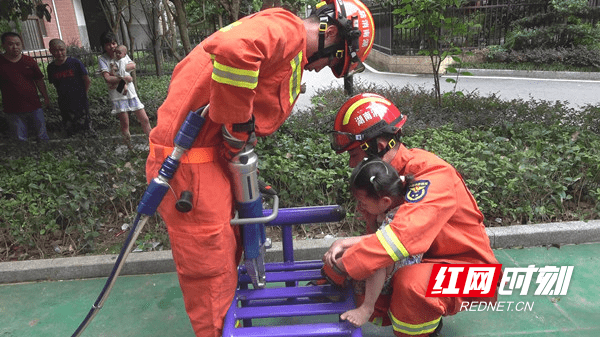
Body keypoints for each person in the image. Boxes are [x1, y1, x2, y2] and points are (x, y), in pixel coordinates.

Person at [144, 1, 375, 336]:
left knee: (228, 256)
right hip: (189, 167)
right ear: (332, 33)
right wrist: (238, 126)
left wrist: (237, 149)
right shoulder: (286, 30)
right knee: (212, 272)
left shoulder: (284, 39)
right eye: (333, 61)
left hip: (208, 159)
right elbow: (234, 50)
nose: (321, 68)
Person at [325, 93, 500, 336]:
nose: (351, 164)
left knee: (410, 284)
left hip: (474, 275)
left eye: (354, 155)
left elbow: (401, 238)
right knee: (367, 264)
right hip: (430, 260)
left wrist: (345, 264)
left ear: (378, 146)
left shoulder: (432, 175)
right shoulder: (388, 179)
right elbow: (382, 239)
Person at [324, 157, 423, 327]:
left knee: (376, 259)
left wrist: (343, 242)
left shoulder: (402, 213)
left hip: (404, 259)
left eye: (362, 202)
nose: (359, 207)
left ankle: (366, 308)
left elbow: (384, 241)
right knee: (340, 254)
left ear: (385, 201)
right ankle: (333, 283)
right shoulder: (392, 198)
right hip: (389, 246)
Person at [98, 31, 151, 147]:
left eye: (113, 43)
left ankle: (153, 143)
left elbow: (133, 65)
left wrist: (117, 71)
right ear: (103, 46)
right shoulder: (103, 59)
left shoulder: (122, 54)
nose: (112, 47)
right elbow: (107, 78)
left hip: (131, 93)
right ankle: (129, 148)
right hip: (117, 94)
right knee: (125, 124)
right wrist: (124, 77)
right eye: (108, 44)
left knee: (145, 119)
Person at [0, 32, 50, 142]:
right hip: (12, 109)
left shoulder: (29, 61)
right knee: (20, 140)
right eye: (11, 44)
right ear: (3, 45)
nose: (15, 47)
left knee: (43, 138)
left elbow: (39, 80)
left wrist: (46, 97)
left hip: (34, 106)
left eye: (18, 44)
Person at [47, 38, 95, 137]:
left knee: (85, 125)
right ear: (51, 51)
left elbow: (87, 80)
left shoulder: (75, 63)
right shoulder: (51, 68)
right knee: (69, 125)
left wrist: (83, 94)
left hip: (80, 99)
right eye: (56, 50)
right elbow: (55, 84)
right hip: (64, 101)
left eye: (62, 50)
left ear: (65, 49)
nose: (59, 53)